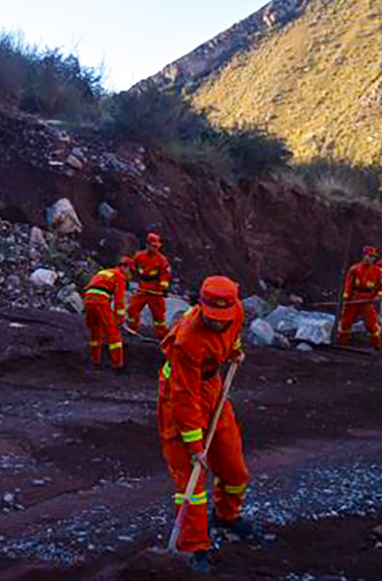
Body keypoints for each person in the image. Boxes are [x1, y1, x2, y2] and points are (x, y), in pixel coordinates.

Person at [158, 276, 252, 574]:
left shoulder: (236, 312)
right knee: (191, 480)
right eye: (212, 319)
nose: (217, 324)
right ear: (202, 308)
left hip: (213, 386)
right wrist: (196, 447)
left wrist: (235, 350)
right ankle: (193, 545)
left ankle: (227, 515)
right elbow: (184, 399)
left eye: (221, 319)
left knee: (234, 468)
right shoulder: (188, 339)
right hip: (179, 394)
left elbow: (233, 335)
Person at [83, 257, 133, 373]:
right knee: (113, 332)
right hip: (99, 300)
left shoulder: (104, 272)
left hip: (88, 298)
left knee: (95, 330)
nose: (129, 274)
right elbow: (119, 301)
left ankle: (95, 360)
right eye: (130, 270)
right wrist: (120, 320)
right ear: (124, 267)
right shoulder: (119, 276)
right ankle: (118, 365)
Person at [336, 246, 382, 351]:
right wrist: (346, 297)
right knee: (346, 322)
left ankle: (377, 346)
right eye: (369, 256)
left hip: (368, 300)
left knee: (371, 324)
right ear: (364, 256)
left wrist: (379, 296)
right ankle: (341, 343)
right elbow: (348, 284)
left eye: (373, 257)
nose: (371, 259)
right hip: (354, 299)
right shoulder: (354, 269)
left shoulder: (378, 271)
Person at [127, 232, 172, 339]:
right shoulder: (139, 256)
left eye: (156, 246)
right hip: (142, 288)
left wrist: (164, 288)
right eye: (153, 246)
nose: (155, 248)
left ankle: (162, 337)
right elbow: (132, 269)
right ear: (147, 245)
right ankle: (131, 331)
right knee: (132, 310)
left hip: (155, 291)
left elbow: (165, 275)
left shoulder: (162, 260)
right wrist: (127, 280)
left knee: (159, 316)